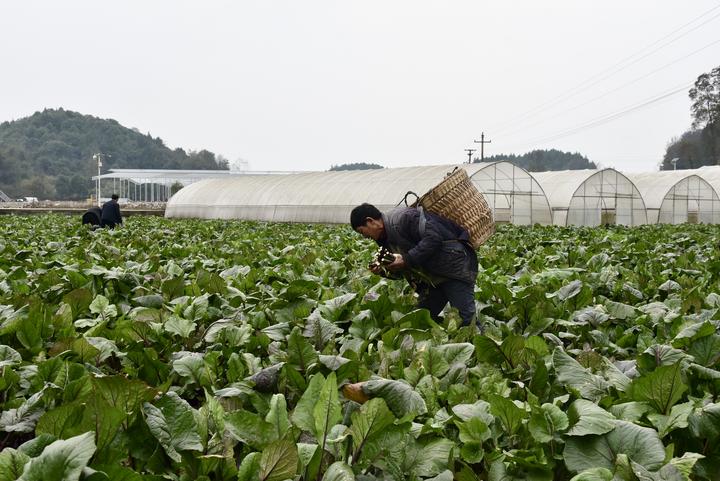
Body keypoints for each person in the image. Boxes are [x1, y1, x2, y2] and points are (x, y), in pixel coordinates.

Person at [351, 203, 478, 327]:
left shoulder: (404, 218)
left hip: (453, 268)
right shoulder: (383, 238)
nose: (365, 237)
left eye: (362, 232)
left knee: (466, 320)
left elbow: (433, 238)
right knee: (417, 321)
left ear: (371, 221)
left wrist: (407, 259)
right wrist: (383, 270)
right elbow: (401, 271)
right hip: (432, 279)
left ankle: (481, 343)